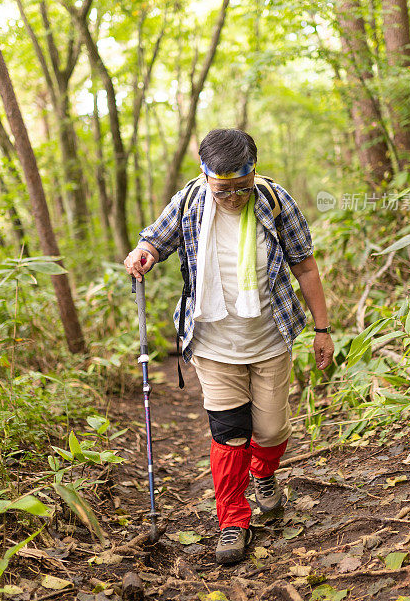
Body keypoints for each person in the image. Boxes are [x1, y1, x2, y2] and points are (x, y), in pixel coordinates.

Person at [124, 128, 333, 565]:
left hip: (270, 338)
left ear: (252, 172)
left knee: (272, 432)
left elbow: (306, 266)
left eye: (242, 185)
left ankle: (264, 474)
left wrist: (322, 328)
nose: (234, 196)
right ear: (206, 175)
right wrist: (142, 252)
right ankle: (233, 521)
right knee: (230, 435)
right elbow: (155, 240)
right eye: (224, 189)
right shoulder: (190, 202)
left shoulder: (275, 201)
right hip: (212, 342)